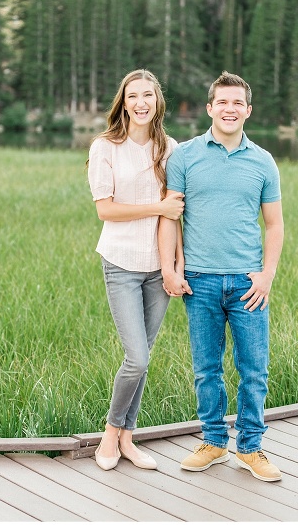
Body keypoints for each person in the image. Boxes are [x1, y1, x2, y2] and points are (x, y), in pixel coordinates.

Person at [158, 72, 284, 482]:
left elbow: (275, 225)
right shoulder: (185, 157)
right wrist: (171, 269)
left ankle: (250, 447)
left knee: (254, 369)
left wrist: (266, 275)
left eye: (238, 103)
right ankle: (213, 441)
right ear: (210, 108)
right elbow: (171, 218)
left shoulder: (263, 161)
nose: (230, 109)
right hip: (200, 280)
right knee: (206, 368)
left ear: (248, 110)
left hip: (248, 284)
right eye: (222, 103)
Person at [87, 69, 185, 471]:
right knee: (138, 358)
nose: (141, 102)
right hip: (121, 264)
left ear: (157, 101)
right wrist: (156, 207)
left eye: (148, 95)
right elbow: (104, 209)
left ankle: (128, 438)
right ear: (123, 102)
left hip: (157, 270)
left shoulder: (170, 148)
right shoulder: (105, 147)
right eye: (133, 96)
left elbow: (176, 213)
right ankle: (110, 434)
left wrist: (176, 265)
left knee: (144, 355)